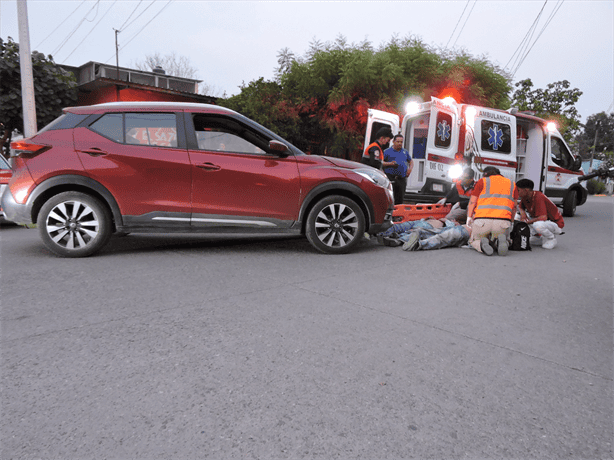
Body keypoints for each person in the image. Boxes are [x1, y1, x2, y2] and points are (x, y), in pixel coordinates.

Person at [466, 166, 518, 256]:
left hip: (482, 222)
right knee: (506, 239)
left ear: (485, 174)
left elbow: (472, 201)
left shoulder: (482, 181)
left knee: (473, 240)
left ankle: (481, 244)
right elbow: (514, 207)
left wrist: (469, 217)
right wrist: (512, 222)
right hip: (502, 223)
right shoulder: (512, 184)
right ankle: (499, 242)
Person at [516, 178, 564, 249]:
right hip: (543, 221)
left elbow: (543, 217)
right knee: (516, 217)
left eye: (518, 190)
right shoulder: (525, 196)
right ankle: (537, 237)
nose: (517, 192)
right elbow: (520, 207)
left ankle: (551, 238)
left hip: (555, 223)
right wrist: (523, 214)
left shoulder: (539, 197)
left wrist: (528, 222)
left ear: (526, 190)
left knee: (537, 225)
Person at [383, 134, 413, 204]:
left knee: (400, 199)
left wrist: (410, 169)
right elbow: (381, 162)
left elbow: (411, 161)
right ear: (393, 141)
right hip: (391, 178)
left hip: (401, 179)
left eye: (401, 142)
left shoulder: (405, 152)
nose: (400, 144)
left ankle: (398, 214)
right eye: (398, 141)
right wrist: (390, 164)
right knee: (390, 198)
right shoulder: (387, 151)